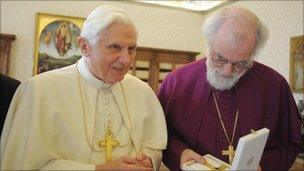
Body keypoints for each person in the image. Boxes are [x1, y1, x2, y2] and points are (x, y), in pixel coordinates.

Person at [1, 5, 167, 170]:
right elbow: (23, 164)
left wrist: (149, 160)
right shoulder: (39, 91)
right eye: (115, 47)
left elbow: (154, 146)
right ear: (84, 46)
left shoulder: (142, 92)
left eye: (131, 49)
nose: (126, 60)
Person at [157, 7, 302, 171]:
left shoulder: (275, 86)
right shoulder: (176, 82)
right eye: (220, 58)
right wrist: (180, 154)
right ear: (208, 43)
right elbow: (157, 136)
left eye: (241, 63)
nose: (227, 71)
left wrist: (262, 166)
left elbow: (290, 144)